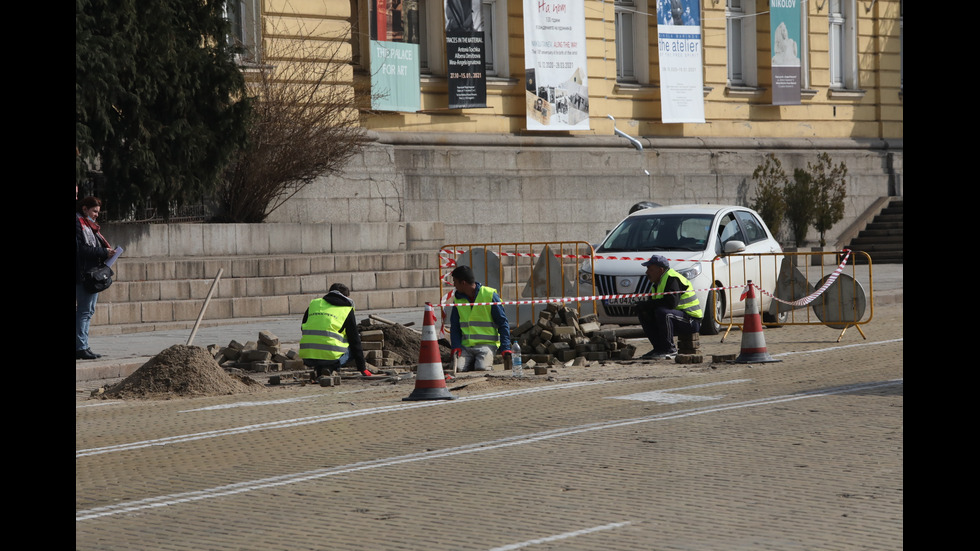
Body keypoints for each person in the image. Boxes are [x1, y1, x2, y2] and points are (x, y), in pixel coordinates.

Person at [298, 283, 373, 381]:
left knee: (324, 347)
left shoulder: (314, 304)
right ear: (346, 297)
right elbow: (355, 340)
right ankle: (329, 368)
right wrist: (362, 368)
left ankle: (320, 368)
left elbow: (303, 327)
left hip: (308, 356)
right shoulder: (346, 310)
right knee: (351, 348)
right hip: (331, 358)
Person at [634, 254, 703, 359]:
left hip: (691, 320)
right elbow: (654, 304)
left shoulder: (672, 279)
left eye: (650, 269)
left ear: (660, 270)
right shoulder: (657, 283)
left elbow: (671, 303)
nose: (647, 272)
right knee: (644, 312)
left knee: (663, 313)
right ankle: (659, 348)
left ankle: (669, 350)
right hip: (677, 318)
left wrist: (647, 305)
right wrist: (642, 307)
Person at [449, 265, 512, 371]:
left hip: (487, 345)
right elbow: (454, 326)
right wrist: (456, 346)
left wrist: (505, 347)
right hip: (466, 347)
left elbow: (503, 323)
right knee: (458, 369)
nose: (454, 285)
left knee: (482, 368)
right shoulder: (458, 300)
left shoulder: (489, 295)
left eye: (455, 282)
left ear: (463, 283)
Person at [76, 196, 115, 360]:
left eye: (98, 212)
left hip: (91, 271)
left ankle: (82, 345)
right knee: (85, 311)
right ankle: (81, 347)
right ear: (84, 209)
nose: (96, 214)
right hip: (84, 274)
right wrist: (103, 252)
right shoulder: (79, 224)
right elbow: (81, 249)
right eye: (94, 211)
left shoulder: (89, 226)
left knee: (87, 310)